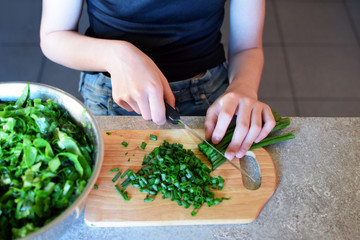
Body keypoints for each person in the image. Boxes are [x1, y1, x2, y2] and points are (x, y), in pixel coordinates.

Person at [40, 0, 275, 160]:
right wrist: (117, 55)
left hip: (210, 95)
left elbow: (248, 47)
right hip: (112, 94)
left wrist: (243, 88)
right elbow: (53, 37)